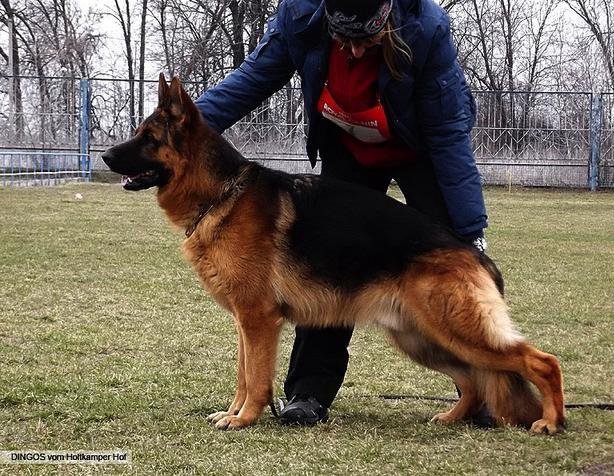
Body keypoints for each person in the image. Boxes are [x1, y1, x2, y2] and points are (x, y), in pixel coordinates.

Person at [195, 0, 490, 426]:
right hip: (348, 149)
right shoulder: (299, 18)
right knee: (323, 268)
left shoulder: (424, 28)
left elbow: (447, 132)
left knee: (446, 265)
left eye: (365, 40)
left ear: (386, 21)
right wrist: (184, 124)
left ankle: (480, 392)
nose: (352, 51)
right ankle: (308, 393)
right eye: (343, 39)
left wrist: (470, 228)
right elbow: (252, 79)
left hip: (418, 148)